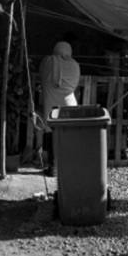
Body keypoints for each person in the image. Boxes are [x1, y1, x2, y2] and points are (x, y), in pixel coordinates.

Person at [38, 41, 80, 176]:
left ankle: (54, 167)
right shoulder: (75, 65)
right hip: (69, 104)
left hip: (51, 105)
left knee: (51, 135)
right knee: (67, 135)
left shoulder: (48, 62)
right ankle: (67, 166)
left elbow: (41, 73)